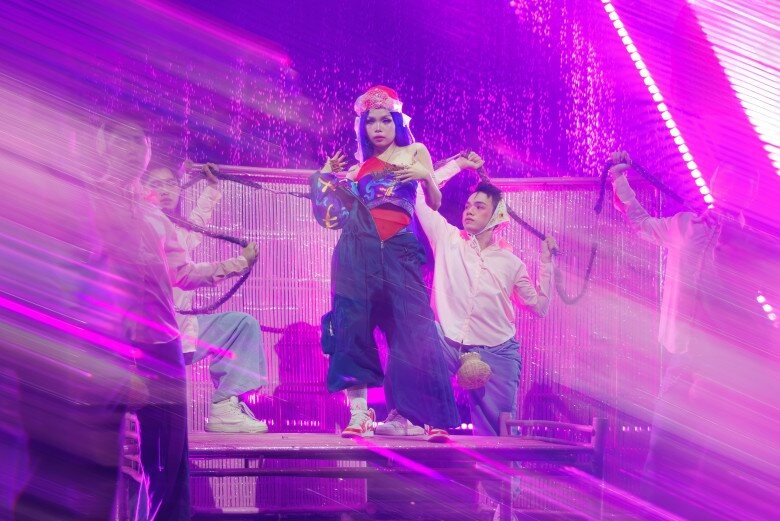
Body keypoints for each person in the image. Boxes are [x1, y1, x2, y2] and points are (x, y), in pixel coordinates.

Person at [609, 151, 778, 520]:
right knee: (663, 450)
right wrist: (619, 179)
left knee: (718, 465)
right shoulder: (685, 226)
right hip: (683, 357)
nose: (730, 188)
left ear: (749, 194)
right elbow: (640, 223)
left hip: (729, 367)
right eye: (725, 179)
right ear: (714, 184)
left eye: (740, 184)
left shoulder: (752, 242)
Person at [313, 85, 460, 442]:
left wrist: (425, 175)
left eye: (385, 120)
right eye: (371, 122)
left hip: (400, 250)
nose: (378, 127)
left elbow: (435, 202)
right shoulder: (359, 167)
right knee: (353, 326)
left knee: (417, 330)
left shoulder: (415, 151)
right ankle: (359, 413)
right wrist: (326, 177)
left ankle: (429, 416)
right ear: (363, 127)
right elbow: (332, 213)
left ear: (396, 122)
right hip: (358, 250)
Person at [376, 153, 557, 437]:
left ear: (496, 217)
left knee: (498, 439)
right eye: (468, 205)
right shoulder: (447, 238)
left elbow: (539, 307)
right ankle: (404, 417)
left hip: (496, 351)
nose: (469, 210)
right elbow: (418, 196)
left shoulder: (512, 264)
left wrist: (547, 264)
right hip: (447, 344)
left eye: (479, 207)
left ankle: (502, 465)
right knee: (414, 331)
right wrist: (458, 166)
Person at [142, 162, 268, 433]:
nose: (165, 191)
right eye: (156, 184)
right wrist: (239, 263)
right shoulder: (146, 226)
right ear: (141, 189)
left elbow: (195, 225)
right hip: (154, 336)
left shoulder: (174, 228)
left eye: (170, 184)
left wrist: (211, 188)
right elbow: (185, 275)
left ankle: (224, 408)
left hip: (182, 330)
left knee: (242, 325)